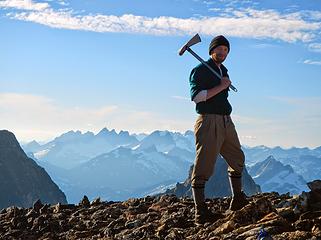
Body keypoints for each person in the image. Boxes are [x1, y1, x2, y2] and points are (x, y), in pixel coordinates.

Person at [189, 35, 248, 225]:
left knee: (237, 158)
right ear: (211, 51)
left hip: (226, 120)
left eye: (225, 50)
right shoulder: (199, 70)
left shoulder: (223, 70)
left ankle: (237, 200)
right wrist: (221, 86)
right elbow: (197, 97)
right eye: (219, 49)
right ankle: (200, 212)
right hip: (208, 121)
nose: (222, 52)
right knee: (204, 164)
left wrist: (224, 82)